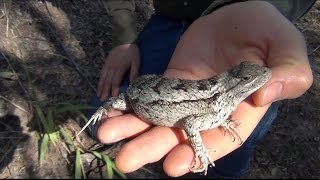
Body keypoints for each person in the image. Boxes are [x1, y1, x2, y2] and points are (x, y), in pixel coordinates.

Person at [86, 0, 315, 178]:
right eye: (248, 78)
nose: (263, 77)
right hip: (144, 92)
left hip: (174, 82)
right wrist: (200, 148)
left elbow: (202, 115)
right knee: (107, 111)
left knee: (232, 152)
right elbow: (193, 123)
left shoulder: (224, 100)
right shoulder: (216, 102)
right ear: (235, 82)